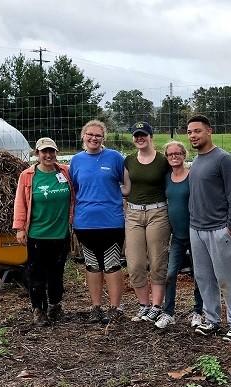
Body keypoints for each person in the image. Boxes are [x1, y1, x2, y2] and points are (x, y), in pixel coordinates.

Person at [187, 114, 231, 341]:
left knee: (227, 278)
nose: (193, 135)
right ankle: (211, 320)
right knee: (204, 277)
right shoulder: (197, 161)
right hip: (197, 229)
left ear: (209, 131)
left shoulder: (223, 159)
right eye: (190, 132)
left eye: (198, 131)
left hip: (220, 229)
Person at [69, 120, 127, 324]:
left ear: (104, 138)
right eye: (90, 135)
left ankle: (115, 308)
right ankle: (95, 307)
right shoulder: (76, 161)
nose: (94, 138)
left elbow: (126, 184)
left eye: (98, 135)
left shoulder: (114, 157)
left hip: (111, 222)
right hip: (85, 223)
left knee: (112, 265)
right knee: (92, 265)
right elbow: (75, 189)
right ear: (83, 136)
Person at [13, 137, 73, 326]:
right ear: (37, 154)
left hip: (61, 234)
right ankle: (38, 309)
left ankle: (55, 305)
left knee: (57, 273)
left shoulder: (65, 172)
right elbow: (20, 203)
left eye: (51, 151)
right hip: (37, 234)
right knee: (37, 275)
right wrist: (20, 228)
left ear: (56, 153)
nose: (48, 155)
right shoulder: (28, 176)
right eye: (44, 152)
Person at [122, 121, 171, 323]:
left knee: (158, 260)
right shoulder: (129, 161)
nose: (139, 138)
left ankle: (157, 306)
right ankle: (143, 304)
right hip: (133, 214)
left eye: (143, 134)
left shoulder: (162, 161)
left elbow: (174, 181)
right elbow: (126, 189)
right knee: (135, 263)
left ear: (151, 136)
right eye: (136, 135)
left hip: (157, 213)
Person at [154, 140, 204, 330]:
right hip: (177, 236)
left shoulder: (192, 176)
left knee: (198, 274)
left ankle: (198, 312)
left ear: (184, 155)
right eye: (170, 154)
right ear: (166, 158)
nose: (174, 157)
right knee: (171, 273)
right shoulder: (167, 178)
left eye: (178, 153)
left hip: (195, 233)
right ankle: (168, 313)